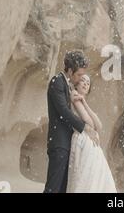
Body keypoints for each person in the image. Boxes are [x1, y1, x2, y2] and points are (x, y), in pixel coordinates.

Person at [43, 50, 99, 193]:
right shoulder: (57, 82)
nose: (80, 78)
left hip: (67, 144)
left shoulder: (66, 85)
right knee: (53, 188)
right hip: (59, 143)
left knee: (62, 189)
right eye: (79, 75)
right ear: (69, 70)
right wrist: (86, 128)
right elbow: (64, 112)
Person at [66, 74, 117, 193]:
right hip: (83, 139)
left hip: (90, 142)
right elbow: (88, 121)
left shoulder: (82, 101)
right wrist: (83, 103)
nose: (85, 84)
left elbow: (99, 125)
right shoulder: (74, 95)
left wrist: (85, 103)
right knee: (85, 175)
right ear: (77, 84)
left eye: (88, 83)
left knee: (95, 176)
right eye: (82, 81)